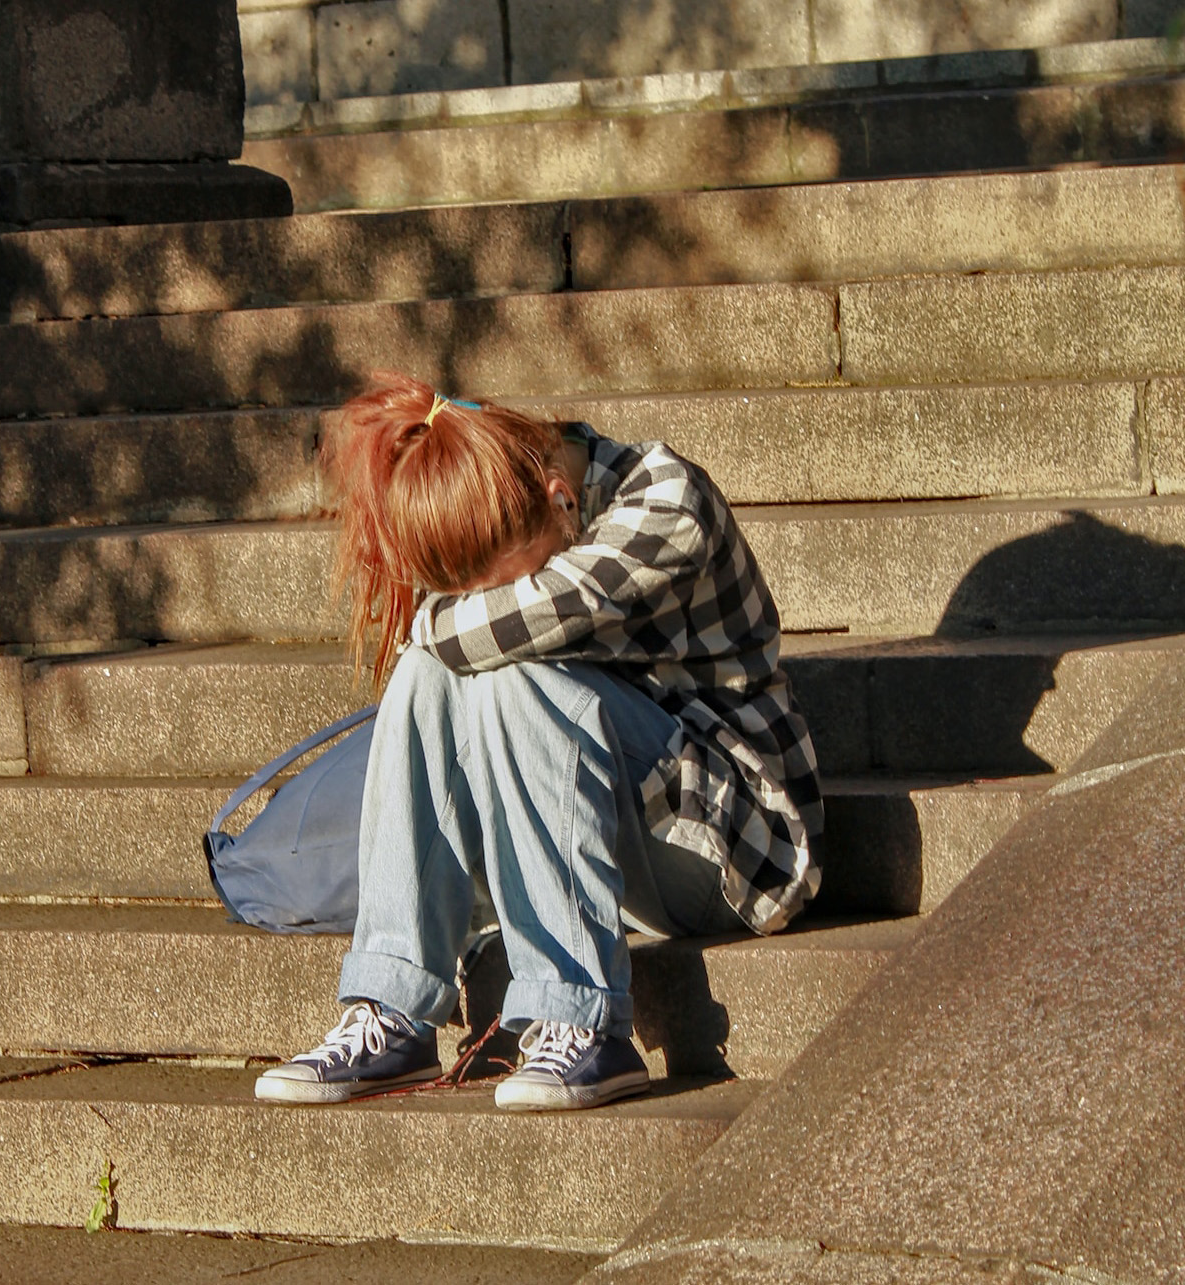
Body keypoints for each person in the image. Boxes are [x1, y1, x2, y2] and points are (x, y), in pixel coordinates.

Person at [254, 373, 822, 1112]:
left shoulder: (665, 501)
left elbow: (480, 630)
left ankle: (581, 1021)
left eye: (508, 580)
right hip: (618, 838)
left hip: (737, 846)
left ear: (560, 495)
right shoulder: (530, 509)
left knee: (501, 668)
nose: (490, 600)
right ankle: (392, 1003)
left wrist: (434, 623)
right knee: (440, 673)